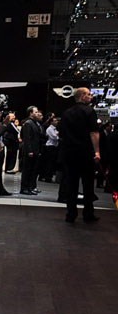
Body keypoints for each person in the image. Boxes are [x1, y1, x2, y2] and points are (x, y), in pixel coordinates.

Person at [58, 86, 101, 223]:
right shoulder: (89, 111)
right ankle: (88, 213)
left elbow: (61, 133)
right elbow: (94, 133)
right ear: (82, 96)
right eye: (89, 94)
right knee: (88, 184)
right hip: (85, 153)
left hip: (69, 153)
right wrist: (97, 151)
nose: (91, 96)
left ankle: (71, 214)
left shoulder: (66, 112)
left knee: (71, 184)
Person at [19, 106, 43, 196]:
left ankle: (29, 187)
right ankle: (24, 188)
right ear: (31, 113)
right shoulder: (28, 123)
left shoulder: (34, 123)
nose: (37, 113)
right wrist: (29, 150)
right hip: (30, 151)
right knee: (27, 170)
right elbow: (27, 138)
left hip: (35, 150)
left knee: (32, 170)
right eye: (35, 112)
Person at [41, 115, 60, 184]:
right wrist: (58, 135)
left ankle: (49, 176)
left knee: (52, 163)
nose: (57, 122)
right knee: (49, 163)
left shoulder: (55, 129)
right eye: (55, 121)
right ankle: (47, 177)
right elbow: (54, 137)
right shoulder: (49, 129)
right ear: (51, 122)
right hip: (50, 147)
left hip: (54, 147)